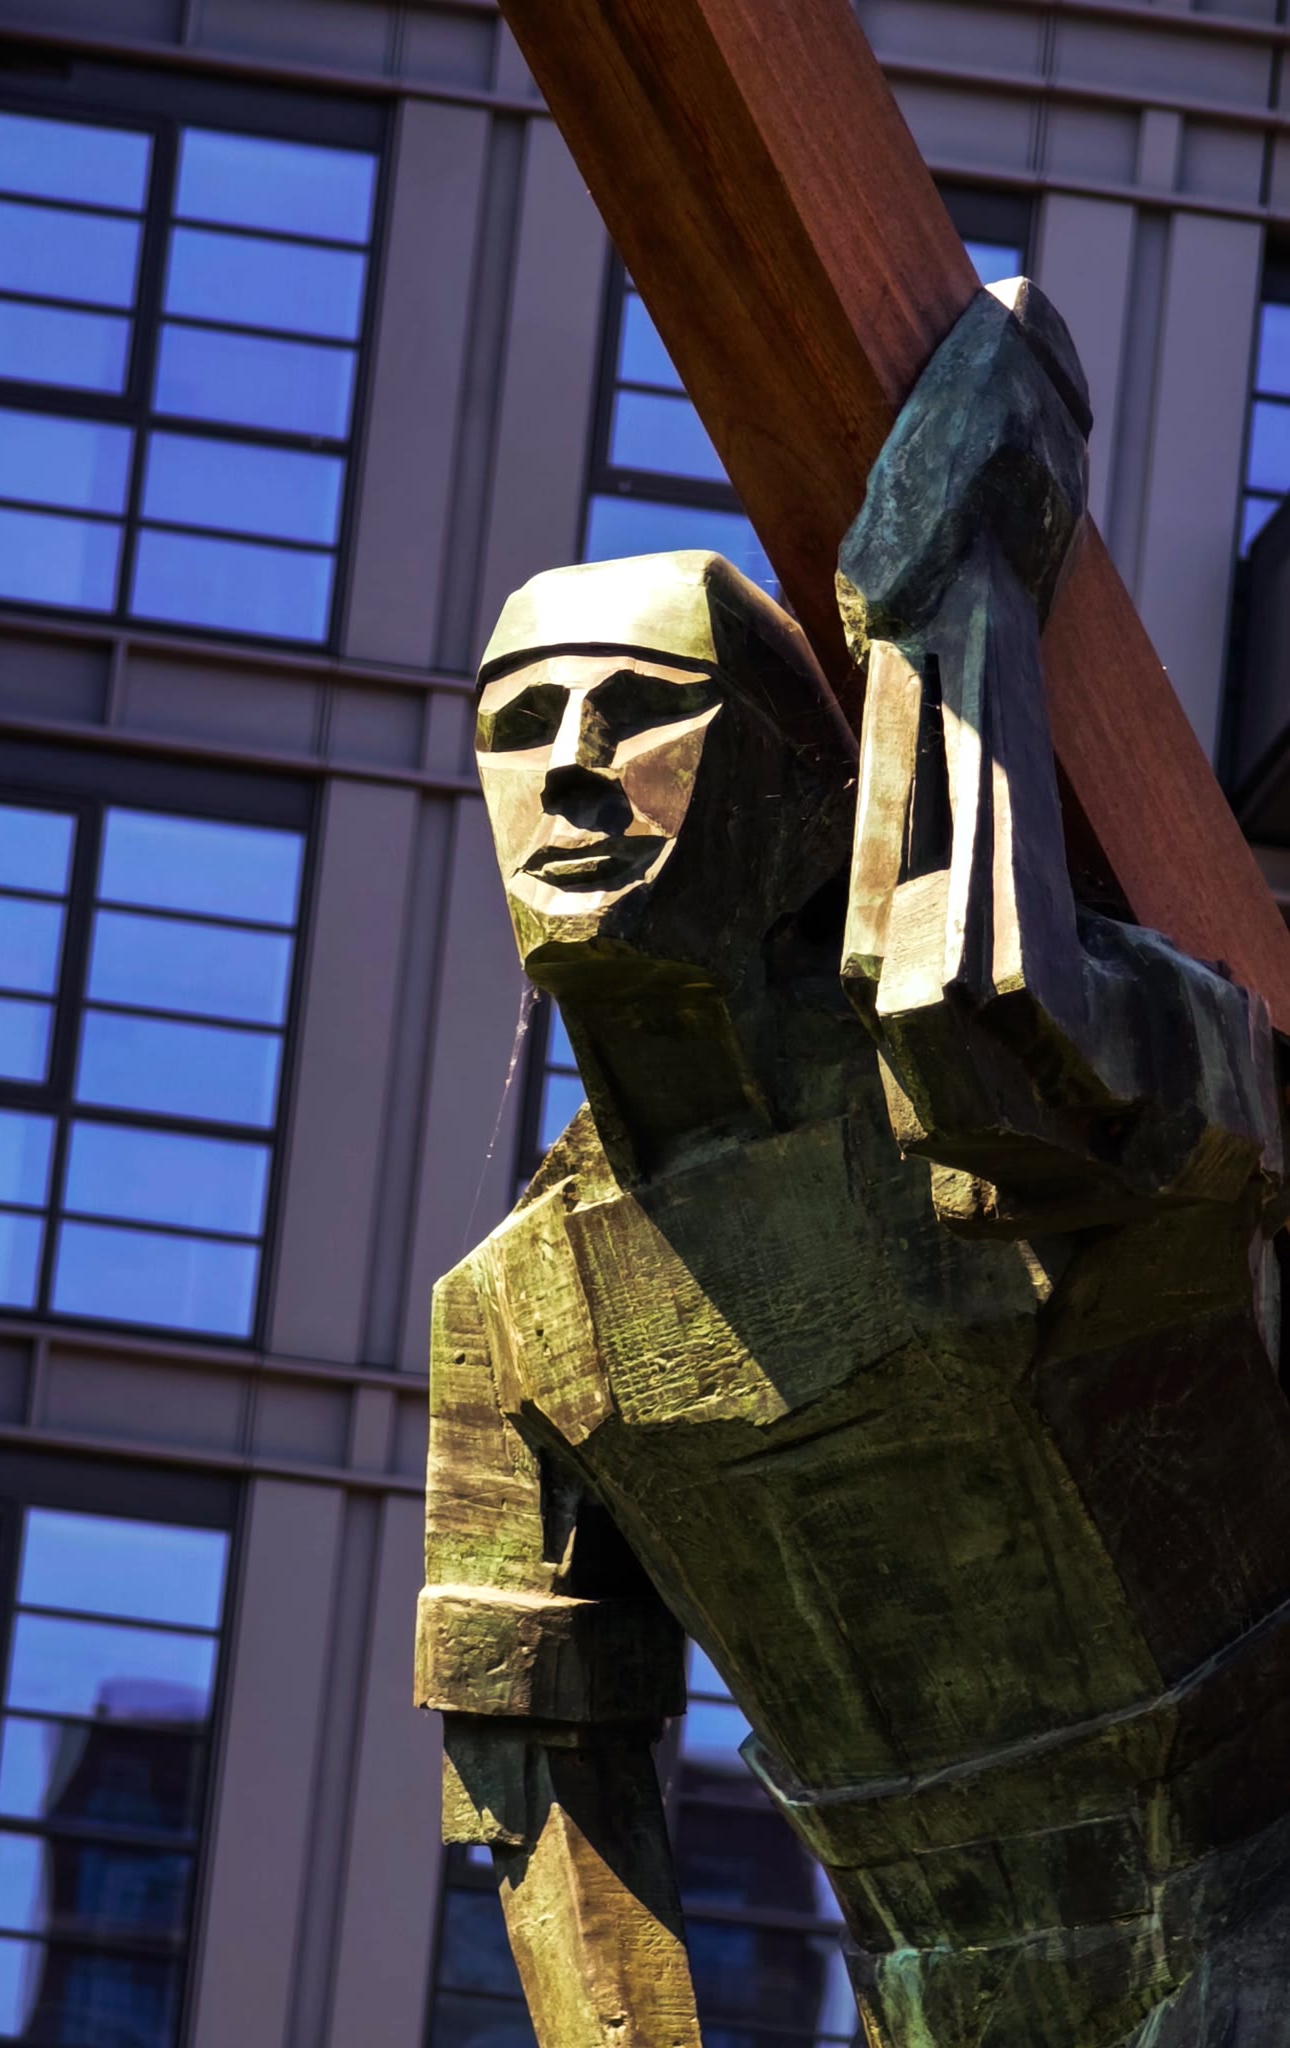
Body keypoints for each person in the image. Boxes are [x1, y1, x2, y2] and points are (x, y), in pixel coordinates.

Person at [417, 285, 1290, 2048]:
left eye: (637, 713)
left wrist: (945, 609)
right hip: (932, 1984)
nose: (568, 773)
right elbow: (535, 1769)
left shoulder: (1104, 1051)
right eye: (518, 726)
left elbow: (997, 1024)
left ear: (790, 791)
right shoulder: (513, 1313)